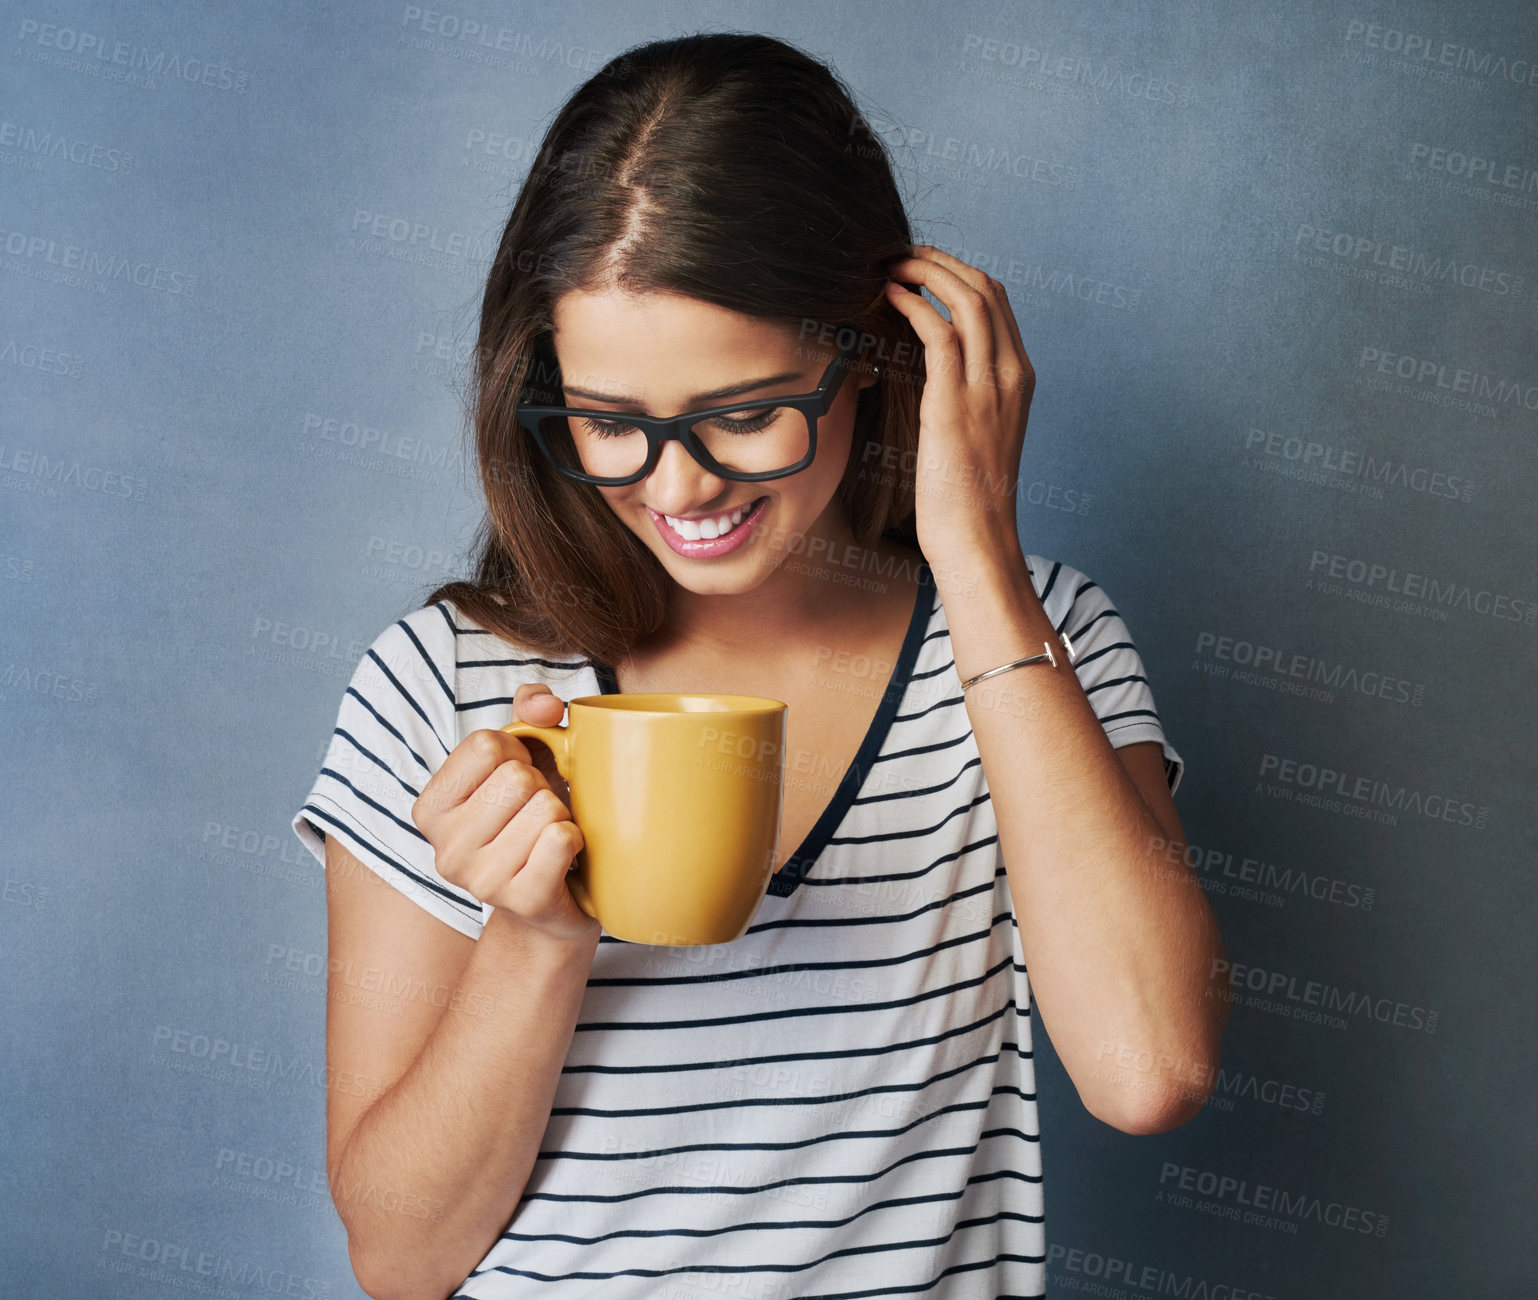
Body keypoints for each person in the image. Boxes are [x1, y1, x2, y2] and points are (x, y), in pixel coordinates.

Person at [292, 31, 1227, 1300]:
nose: (677, 486)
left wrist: (978, 562)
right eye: (609, 425)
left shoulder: (1037, 644)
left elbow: (1147, 1067)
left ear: (876, 354)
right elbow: (398, 1260)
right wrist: (532, 939)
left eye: (743, 411)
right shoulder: (437, 679)